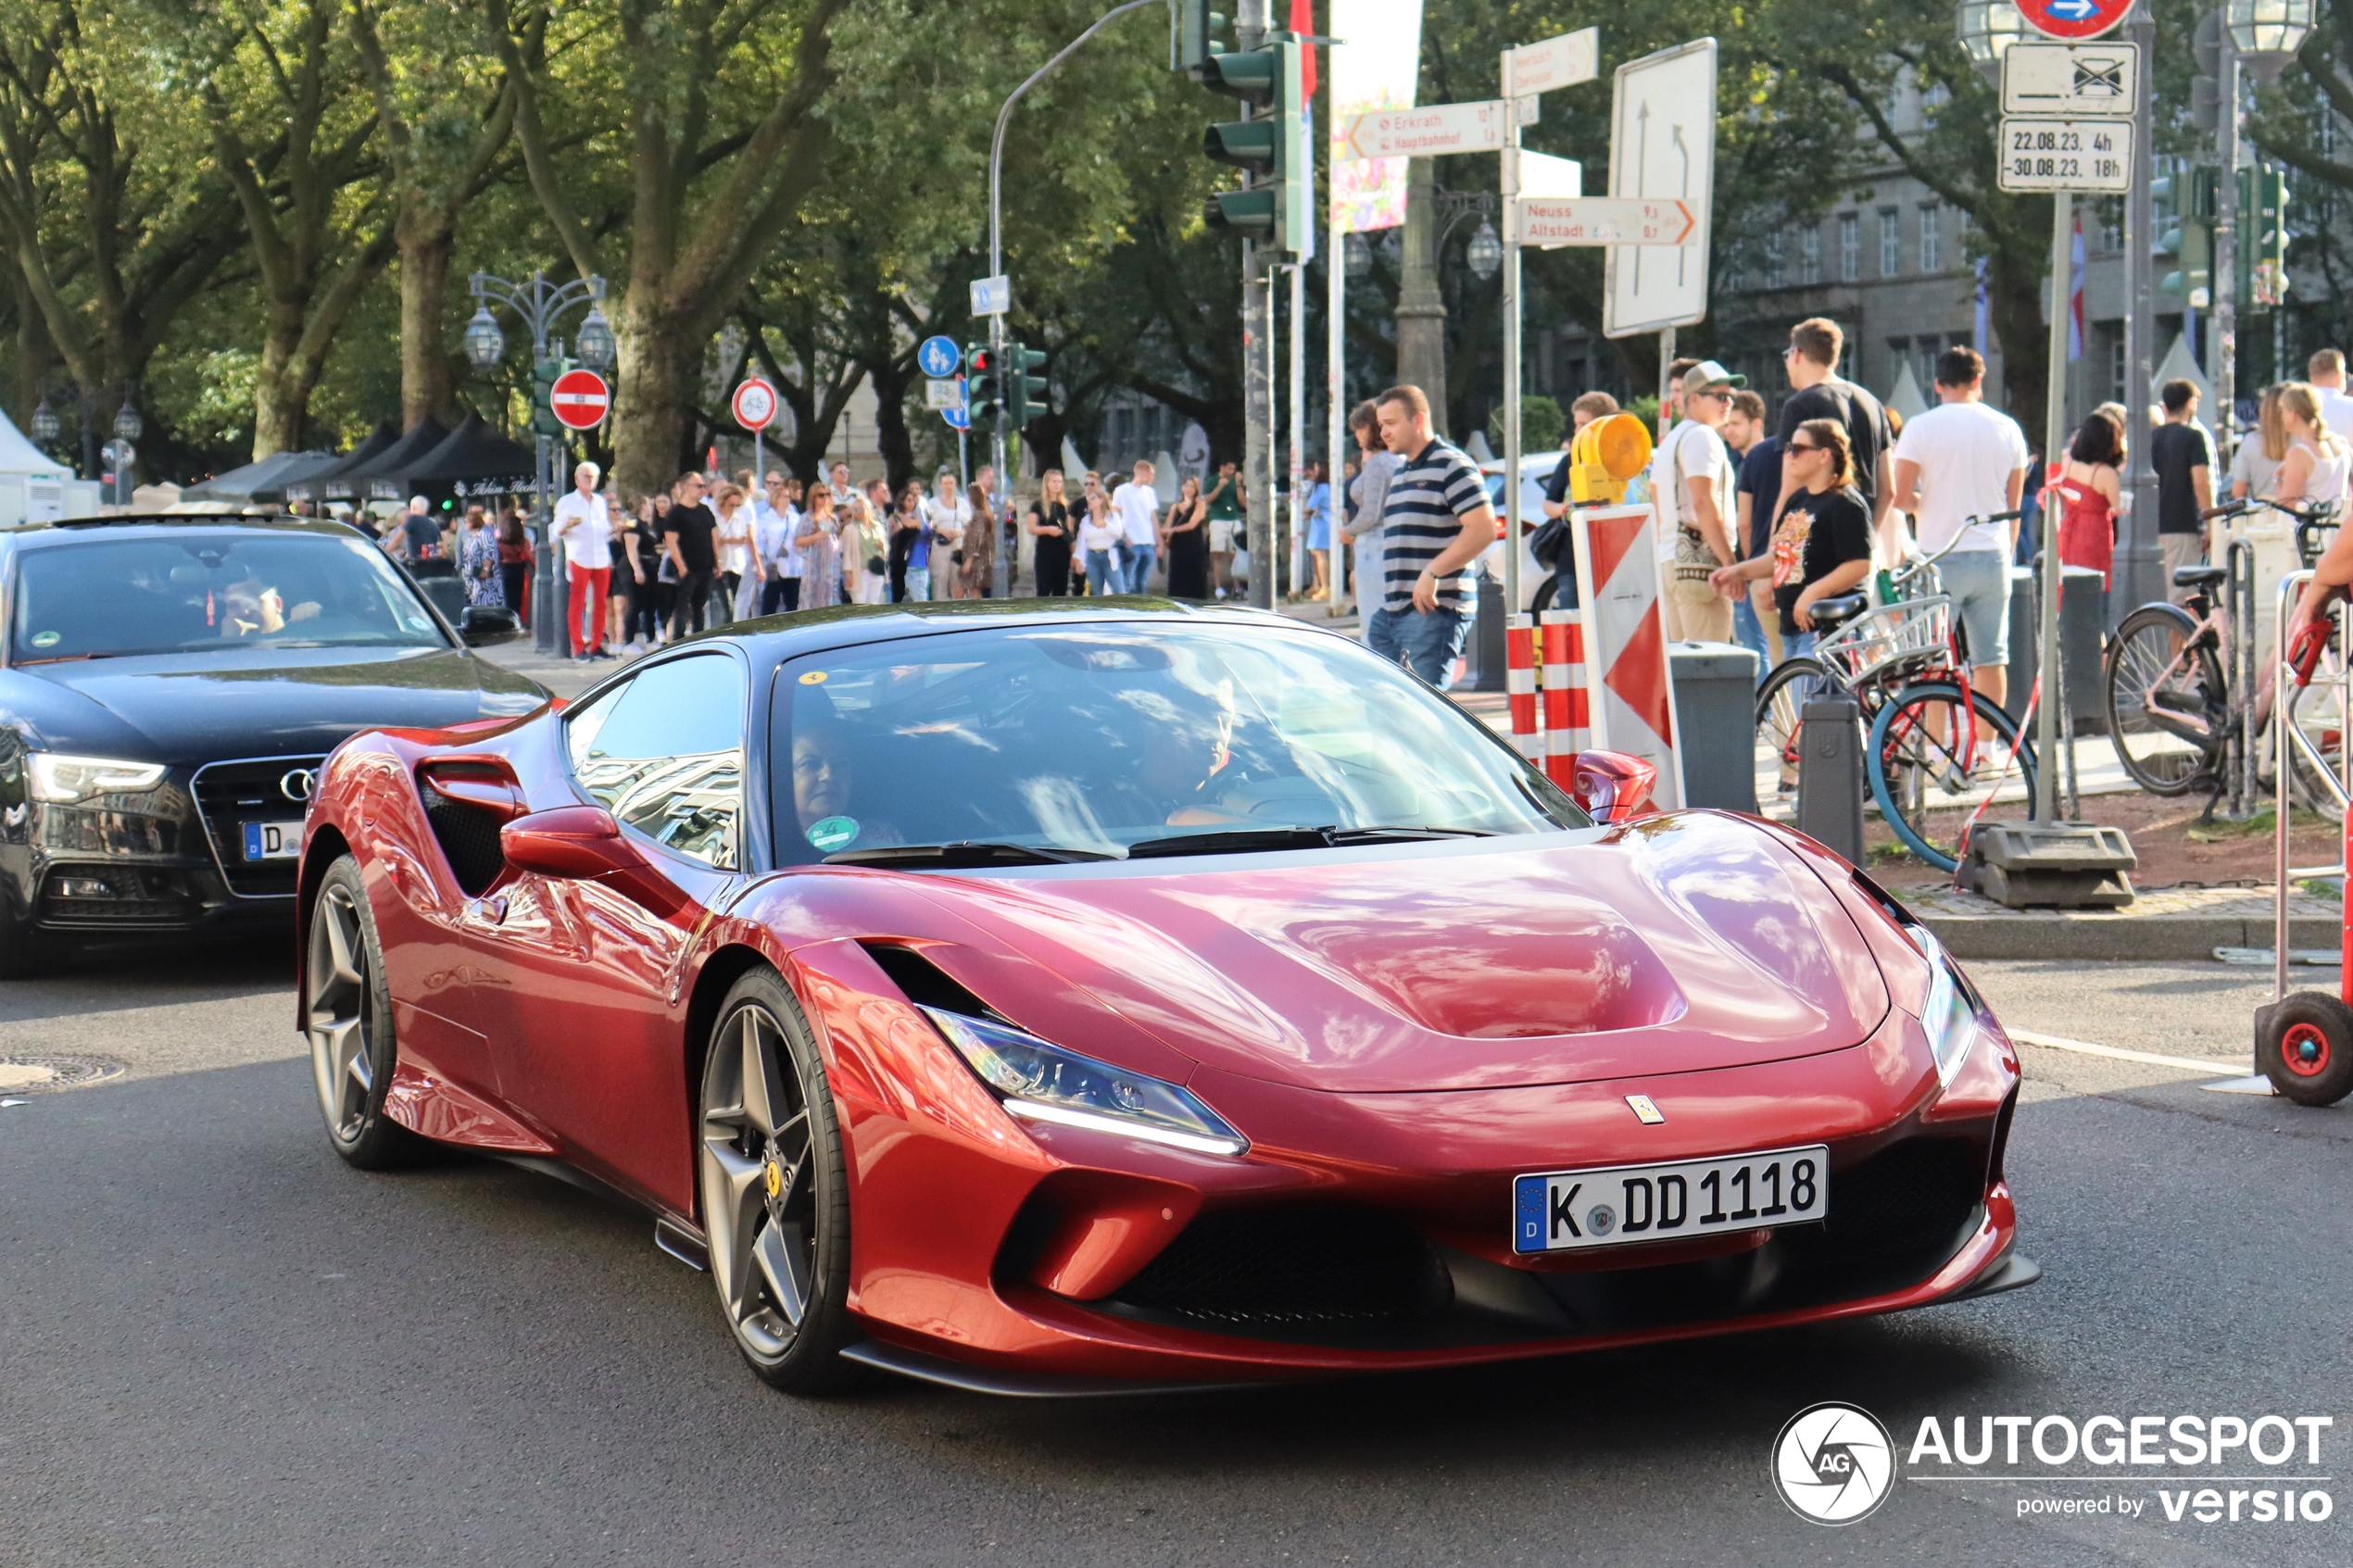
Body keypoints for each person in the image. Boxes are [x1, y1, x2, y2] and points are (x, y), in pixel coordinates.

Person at [1888, 345, 2032, 706]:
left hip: (1939, 554)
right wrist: (2008, 551)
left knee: (1932, 662)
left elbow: (1900, 496)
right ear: (1978, 380)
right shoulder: (2008, 429)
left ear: (1937, 384)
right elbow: (2012, 506)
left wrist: (1926, 505)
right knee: (1992, 659)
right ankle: (1986, 750)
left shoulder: (1920, 428)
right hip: (1992, 554)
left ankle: (1937, 751)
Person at [1710, 419, 1872, 660]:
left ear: (1824, 455)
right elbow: (1781, 558)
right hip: (1793, 628)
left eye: (1797, 449)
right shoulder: (1798, 501)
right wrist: (1737, 572)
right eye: (1787, 448)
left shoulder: (1845, 504)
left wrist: (1812, 593)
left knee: (1821, 698)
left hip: (1828, 630)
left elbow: (1859, 564)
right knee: (1801, 698)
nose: (1788, 456)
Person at [1369, 383, 1494, 689]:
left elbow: (1483, 528)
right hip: (1393, 613)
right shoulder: (1402, 471)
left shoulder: (1453, 464)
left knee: (1423, 715)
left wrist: (1433, 572)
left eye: (1390, 423)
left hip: (1432, 612)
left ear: (1418, 420)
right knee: (1391, 709)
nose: (1383, 432)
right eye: (1380, 425)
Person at [1775, 317, 1897, 561]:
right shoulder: (1872, 403)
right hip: (1861, 552)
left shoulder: (1799, 406)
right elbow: (1888, 490)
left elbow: (1791, 490)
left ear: (1797, 354)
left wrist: (1776, 559)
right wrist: (1867, 537)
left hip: (1816, 551)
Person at [1658, 361, 1743, 644]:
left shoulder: (1671, 439)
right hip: (1701, 565)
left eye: (1731, 395)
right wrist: (1730, 566)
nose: (1728, 402)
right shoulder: (1702, 436)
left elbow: (1654, 494)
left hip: (1672, 560)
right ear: (1693, 398)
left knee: (1685, 672)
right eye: (1719, 396)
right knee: (1710, 667)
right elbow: (1704, 502)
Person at [1724, 389, 1781, 672]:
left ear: (1756, 423)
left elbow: (1743, 523)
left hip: (1758, 566)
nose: (1728, 431)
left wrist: (1750, 568)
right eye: (1727, 424)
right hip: (1782, 566)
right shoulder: (1785, 455)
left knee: (1758, 652)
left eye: (1735, 424)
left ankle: (1767, 715)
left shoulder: (1748, 463)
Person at [2150, 378, 2218, 604]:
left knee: (2160, 594)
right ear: (2190, 404)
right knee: (2182, 598)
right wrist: (2210, 521)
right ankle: (2176, 641)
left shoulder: (2150, 438)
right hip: (2184, 523)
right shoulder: (2193, 437)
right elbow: (2201, 482)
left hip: (2153, 526)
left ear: (2165, 407)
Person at [2053, 409, 2125, 594]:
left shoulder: (2066, 461)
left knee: (2068, 581)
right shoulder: (2105, 473)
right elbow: (2119, 508)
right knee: (2095, 583)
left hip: (2068, 525)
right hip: (2094, 532)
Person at [1343, 400, 1402, 622]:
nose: (1356, 435)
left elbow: (1370, 513)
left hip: (1372, 545)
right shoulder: (1396, 461)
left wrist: (1347, 531)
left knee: (1372, 619)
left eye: (1359, 429)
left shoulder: (1378, 464)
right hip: (1390, 542)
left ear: (1369, 429)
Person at [550, 462, 612, 660]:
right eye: (586, 476)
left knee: (601, 602)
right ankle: (578, 646)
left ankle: (596, 644)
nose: (590, 480)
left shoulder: (600, 501)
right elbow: (556, 531)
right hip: (579, 556)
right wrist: (566, 527)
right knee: (578, 602)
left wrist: (616, 530)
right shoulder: (567, 502)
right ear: (577, 479)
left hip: (600, 556)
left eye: (593, 476)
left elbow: (604, 530)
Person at [661, 470, 720, 638]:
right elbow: (671, 541)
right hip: (687, 568)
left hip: (705, 567)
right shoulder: (676, 513)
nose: (702, 489)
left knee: (699, 607)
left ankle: (699, 639)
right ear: (686, 487)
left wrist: (717, 562)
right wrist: (681, 567)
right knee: (683, 608)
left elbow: (713, 536)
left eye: (704, 486)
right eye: (698, 486)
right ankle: (677, 642)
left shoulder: (705, 510)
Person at [2232, 385, 2289, 504]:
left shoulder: (2251, 441)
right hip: (2295, 512)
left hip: (2261, 513)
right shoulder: (2301, 440)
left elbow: (2238, 491)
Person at [1110, 459, 1161, 594]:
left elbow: (1153, 518)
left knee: (1142, 583)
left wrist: (1159, 542)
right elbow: (1115, 514)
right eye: (1151, 474)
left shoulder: (1150, 492)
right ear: (1142, 472)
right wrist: (1124, 536)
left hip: (1148, 542)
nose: (1152, 478)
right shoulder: (1122, 491)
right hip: (1132, 542)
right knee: (1127, 582)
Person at [1027, 469, 1076, 597]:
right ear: (1047, 483)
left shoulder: (1065, 506)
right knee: (1043, 589)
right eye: (1054, 481)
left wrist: (1073, 554)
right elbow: (1031, 528)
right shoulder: (1038, 505)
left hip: (1063, 551)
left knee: (1061, 589)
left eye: (1059, 481)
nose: (1057, 484)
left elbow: (1070, 533)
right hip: (1045, 551)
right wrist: (1048, 530)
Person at [920, 471, 969, 598]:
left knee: (957, 583)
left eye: (951, 483)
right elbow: (926, 526)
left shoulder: (962, 503)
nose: (949, 486)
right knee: (940, 580)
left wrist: (959, 533)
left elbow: (969, 526)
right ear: (941, 485)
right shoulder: (932, 503)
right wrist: (942, 531)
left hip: (958, 547)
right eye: (946, 483)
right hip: (939, 546)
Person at [711, 484, 753, 626]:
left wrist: (730, 541)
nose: (734, 508)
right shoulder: (714, 517)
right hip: (720, 563)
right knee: (725, 604)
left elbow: (744, 538)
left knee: (740, 603)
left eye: (737, 505)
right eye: (731, 504)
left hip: (736, 563)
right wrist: (729, 540)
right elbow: (715, 540)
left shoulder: (739, 518)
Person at [1164, 472, 1210, 599]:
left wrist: (1173, 530)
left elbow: (1191, 525)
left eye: (1192, 486)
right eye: (1186, 485)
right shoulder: (1175, 507)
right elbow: (1166, 527)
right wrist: (1162, 534)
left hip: (1194, 545)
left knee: (1195, 576)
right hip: (1178, 547)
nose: (1188, 489)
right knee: (1178, 577)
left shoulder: (1200, 504)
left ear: (1196, 490)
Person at [1204, 459, 1243, 597]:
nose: (1232, 472)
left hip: (1233, 519)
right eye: (1229, 469)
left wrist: (1238, 484)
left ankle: (1238, 587)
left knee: (1236, 554)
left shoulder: (1234, 481)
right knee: (1218, 554)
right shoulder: (1212, 480)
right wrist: (1219, 486)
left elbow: (1243, 502)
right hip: (1218, 520)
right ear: (1222, 467)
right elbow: (1207, 499)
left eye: (1233, 469)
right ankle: (1218, 588)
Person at [891, 481, 932, 602]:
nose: (912, 502)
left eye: (913, 500)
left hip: (917, 565)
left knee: (920, 600)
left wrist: (899, 515)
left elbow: (915, 524)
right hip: (900, 563)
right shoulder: (893, 517)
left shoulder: (921, 518)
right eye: (908, 500)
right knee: (901, 599)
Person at [964, 464, 1000, 598]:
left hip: (982, 555)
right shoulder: (981, 510)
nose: (993, 481)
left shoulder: (982, 511)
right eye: (989, 478)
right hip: (982, 554)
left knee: (978, 589)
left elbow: (978, 536)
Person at [1078, 486, 1122, 596]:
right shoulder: (1085, 520)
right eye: (1088, 498)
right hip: (1092, 557)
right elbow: (1082, 542)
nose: (1089, 500)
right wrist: (1079, 560)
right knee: (1095, 593)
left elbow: (1118, 533)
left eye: (1092, 498)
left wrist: (1106, 525)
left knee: (1119, 591)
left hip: (1108, 556)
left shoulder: (1112, 517)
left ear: (1101, 500)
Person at [457, 506, 502, 608]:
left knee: (483, 602)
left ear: (474, 522)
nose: (465, 524)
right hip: (472, 575)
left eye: (467, 521)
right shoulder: (471, 536)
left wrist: (486, 569)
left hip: (484, 578)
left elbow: (490, 552)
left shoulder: (485, 534)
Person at [1300, 459, 1332, 603]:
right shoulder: (1325, 487)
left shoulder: (1321, 487)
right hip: (1320, 521)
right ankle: (1317, 584)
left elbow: (1308, 507)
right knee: (1316, 554)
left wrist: (1307, 509)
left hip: (1322, 523)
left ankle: (1325, 586)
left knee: (1320, 555)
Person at [496, 508, 533, 627]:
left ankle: (507, 621)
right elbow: (529, 556)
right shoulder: (523, 541)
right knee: (518, 598)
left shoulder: (499, 542)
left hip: (505, 568)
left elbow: (497, 556)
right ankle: (517, 621)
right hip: (518, 568)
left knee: (506, 596)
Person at [2308, 349, 2353, 444]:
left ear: (2311, 378)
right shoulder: (2350, 407)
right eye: (2344, 374)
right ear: (2337, 375)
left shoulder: (2296, 409)